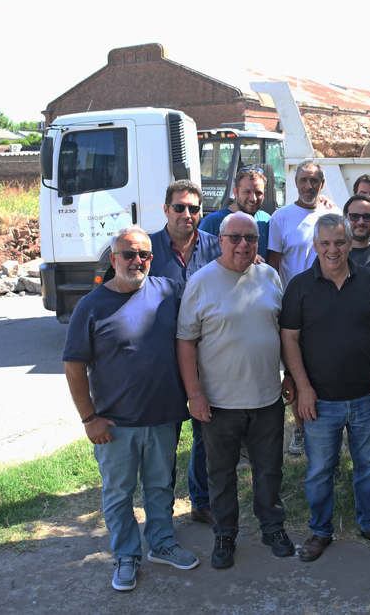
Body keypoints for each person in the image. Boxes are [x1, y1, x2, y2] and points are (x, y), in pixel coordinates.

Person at [63, 226, 199, 592]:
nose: (137, 261)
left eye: (145, 255)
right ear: (113, 260)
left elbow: (205, 305)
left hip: (163, 417)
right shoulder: (91, 307)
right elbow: (74, 367)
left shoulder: (170, 292)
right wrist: (89, 418)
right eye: (129, 254)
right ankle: (125, 555)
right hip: (115, 424)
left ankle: (162, 543)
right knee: (119, 492)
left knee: (160, 486)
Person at [176, 212, 294, 568]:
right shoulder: (202, 281)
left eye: (251, 238)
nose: (244, 244)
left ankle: (272, 527)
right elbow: (185, 342)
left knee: (269, 469)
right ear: (220, 240)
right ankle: (225, 534)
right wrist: (194, 394)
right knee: (221, 473)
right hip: (219, 402)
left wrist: (288, 374)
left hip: (267, 397)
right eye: (236, 238)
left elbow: (283, 331)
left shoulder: (270, 276)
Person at [280, 213, 370, 561]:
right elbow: (289, 338)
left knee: (369, 465)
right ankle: (320, 530)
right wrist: (303, 387)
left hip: (366, 395)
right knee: (319, 471)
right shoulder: (299, 286)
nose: (333, 249)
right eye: (326, 243)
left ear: (350, 243)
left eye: (340, 242)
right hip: (320, 399)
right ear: (316, 246)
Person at [148, 179, 222, 527]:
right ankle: (160, 517)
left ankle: (201, 500)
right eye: (180, 207)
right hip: (161, 362)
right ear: (166, 210)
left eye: (194, 208)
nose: (187, 214)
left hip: (207, 359)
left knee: (204, 436)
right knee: (163, 444)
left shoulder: (215, 247)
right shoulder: (145, 250)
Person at [268, 160, 341, 455]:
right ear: (295, 183)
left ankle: (329, 424)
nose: (308, 185)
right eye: (303, 180)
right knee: (295, 372)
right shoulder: (280, 218)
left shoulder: (332, 214)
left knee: (325, 365)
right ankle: (299, 428)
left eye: (314, 180)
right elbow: (273, 267)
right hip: (293, 306)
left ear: (321, 184)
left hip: (329, 305)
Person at [198, 167, 272, 260]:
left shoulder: (266, 221)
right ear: (235, 192)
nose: (253, 198)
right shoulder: (212, 222)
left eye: (258, 193)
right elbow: (198, 260)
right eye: (247, 192)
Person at [344, 194, 370, 269]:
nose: (361, 222)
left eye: (367, 217)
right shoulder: (334, 256)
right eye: (354, 216)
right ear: (345, 220)